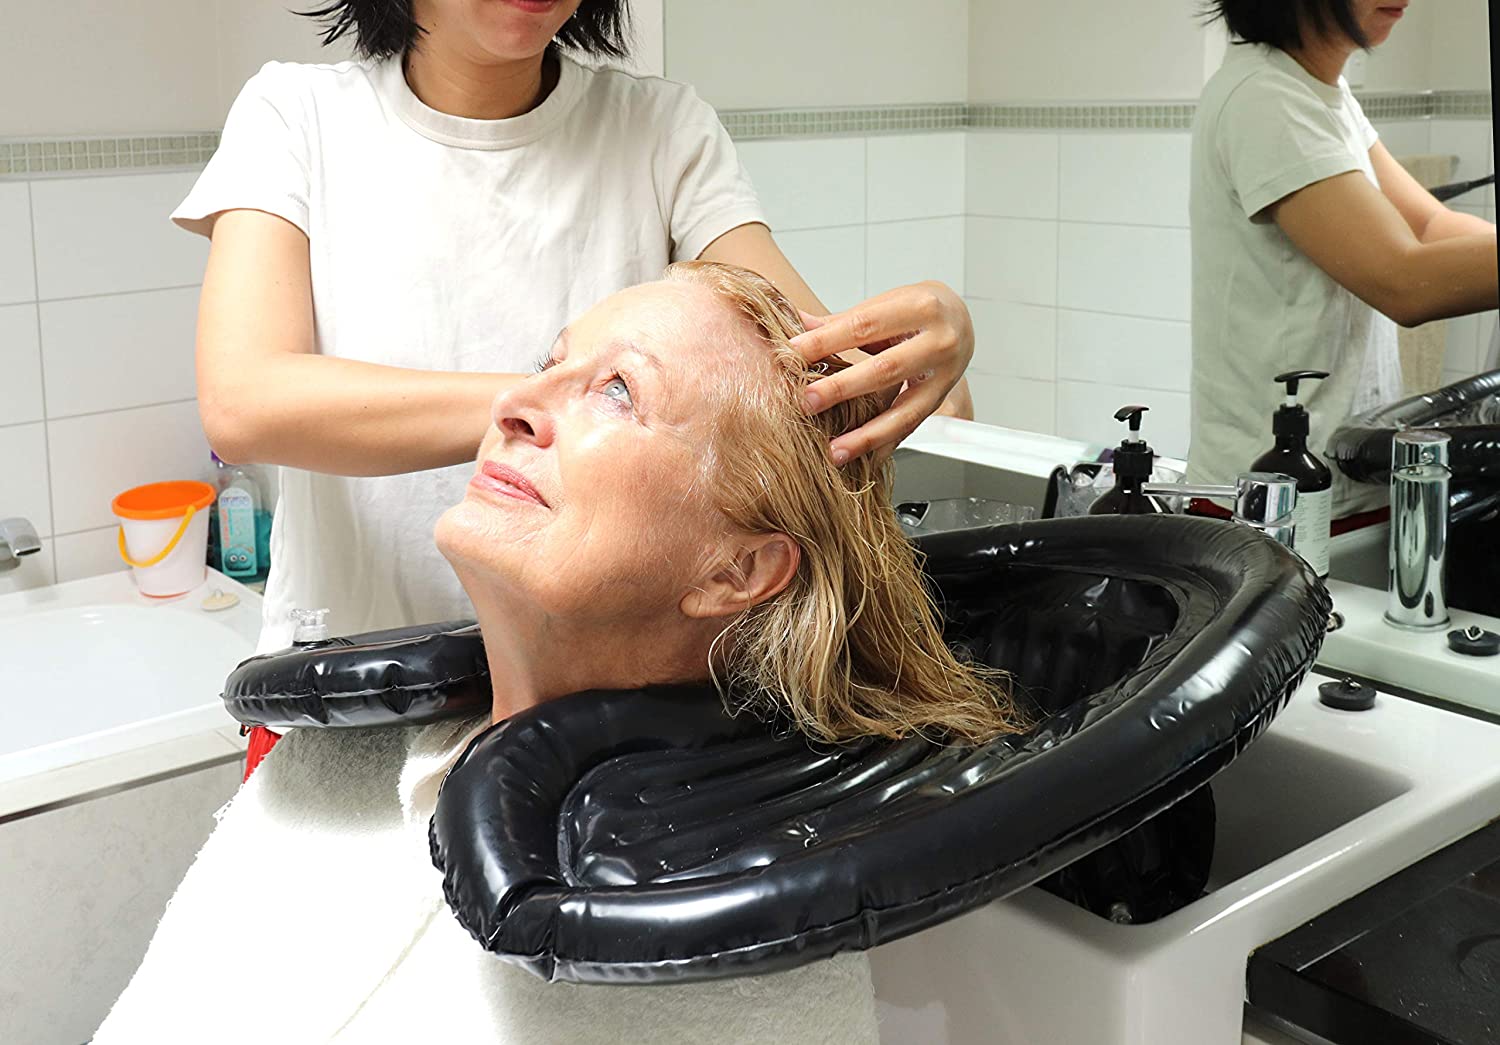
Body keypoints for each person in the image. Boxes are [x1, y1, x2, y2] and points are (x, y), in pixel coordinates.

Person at [93, 263, 1024, 1043]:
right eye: (548, 364)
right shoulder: (330, 768)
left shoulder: (721, 949)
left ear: (739, 569)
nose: (513, 403)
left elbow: (883, 389)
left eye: (619, 390)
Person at [174, 0, 978, 778]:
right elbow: (246, 401)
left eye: (613, 392)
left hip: (596, 726)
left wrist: (933, 347)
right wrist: (585, 397)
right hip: (347, 697)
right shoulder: (298, 115)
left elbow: (834, 392)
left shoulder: (661, 132)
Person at [1190, 0, 1498, 521]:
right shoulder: (1265, 98)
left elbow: (1430, 226)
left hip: (1335, 483)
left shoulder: (1322, 93)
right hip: (1277, 505)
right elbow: (1404, 280)